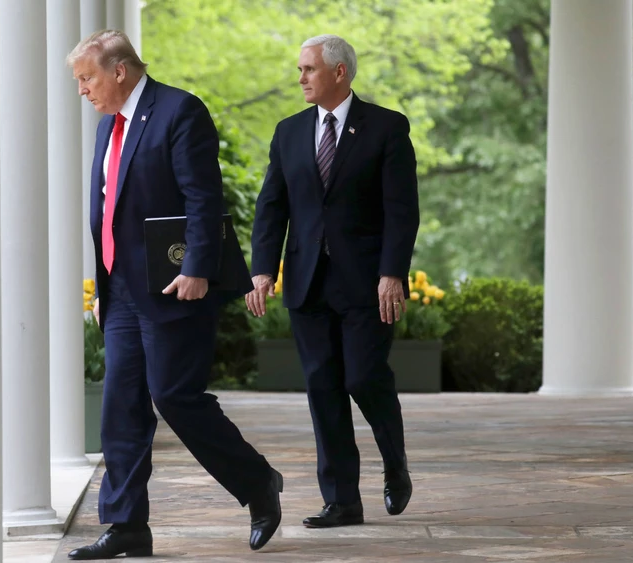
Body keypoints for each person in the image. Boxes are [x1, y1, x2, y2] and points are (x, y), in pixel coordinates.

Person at [65, 30, 283, 559]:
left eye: (87, 78)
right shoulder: (105, 128)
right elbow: (109, 208)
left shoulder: (180, 111)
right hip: (121, 290)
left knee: (174, 396)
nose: (82, 91)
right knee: (122, 407)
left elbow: (202, 196)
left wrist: (197, 267)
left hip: (174, 285)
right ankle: (125, 526)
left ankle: (258, 485)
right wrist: (103, 284)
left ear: (119, 71)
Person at [247, 34, 419, 528]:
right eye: (300, 70)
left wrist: (393, 273)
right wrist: (262, 270)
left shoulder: (386, 128)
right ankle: (342, 499)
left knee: (363, 377)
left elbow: (401, 210)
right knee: (323, 387)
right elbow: (271, 206)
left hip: (367, 283)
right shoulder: (288, 132)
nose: (299, 78)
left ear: (338, 72)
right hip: (306, 281)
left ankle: (395, 463)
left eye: (308, 69)